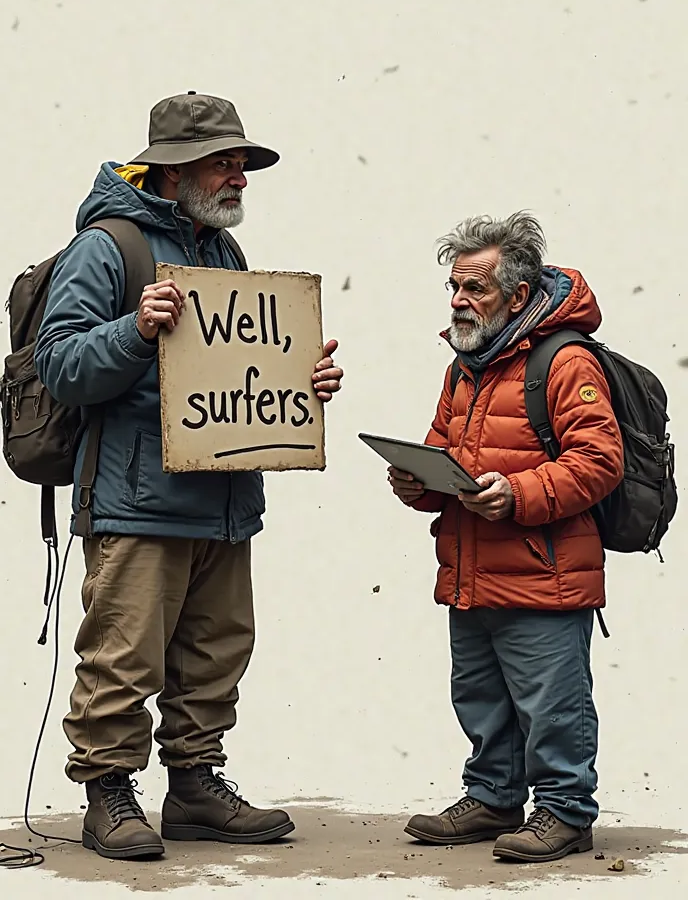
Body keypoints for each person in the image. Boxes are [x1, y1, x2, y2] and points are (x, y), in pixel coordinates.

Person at [35, 92, 344, 861]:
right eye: (224, 160)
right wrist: (136, 328)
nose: (241, 175)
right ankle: (107, 790)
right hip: (137, 501)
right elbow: (61, 365)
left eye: (242, 161)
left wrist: (303, 383)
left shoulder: (223, 253)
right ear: (175, 170)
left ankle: (195, 784)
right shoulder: (106, 249)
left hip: (224, 498)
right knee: (123, 653)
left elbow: (231, 367)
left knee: (217, 649)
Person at [387, 212, 623, 863]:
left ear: (518, 295)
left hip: (544, 574)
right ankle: (493, 798)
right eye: (454, 288)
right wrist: (419, 484)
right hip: (471, 571)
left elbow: (600, 462)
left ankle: (566, 812)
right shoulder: (466, 365)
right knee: (482, 698)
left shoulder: (564, 361)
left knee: (553, 706)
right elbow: (445, 452)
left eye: (475, 290)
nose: (460, 302)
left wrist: (517, 495)